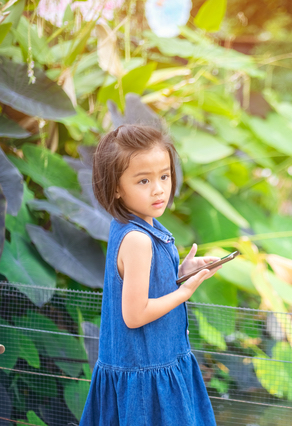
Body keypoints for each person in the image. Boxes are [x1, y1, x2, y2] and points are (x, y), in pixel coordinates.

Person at [80, 125, 221, 425]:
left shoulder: (145, 227)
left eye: (164, 176)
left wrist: (181, 272)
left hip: (159, 363)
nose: (158, 188)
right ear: (116, 187)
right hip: (145, 377)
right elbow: (134, 314)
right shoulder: (138, 239)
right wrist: (184, 292)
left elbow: (141, 285)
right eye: (143, 180)